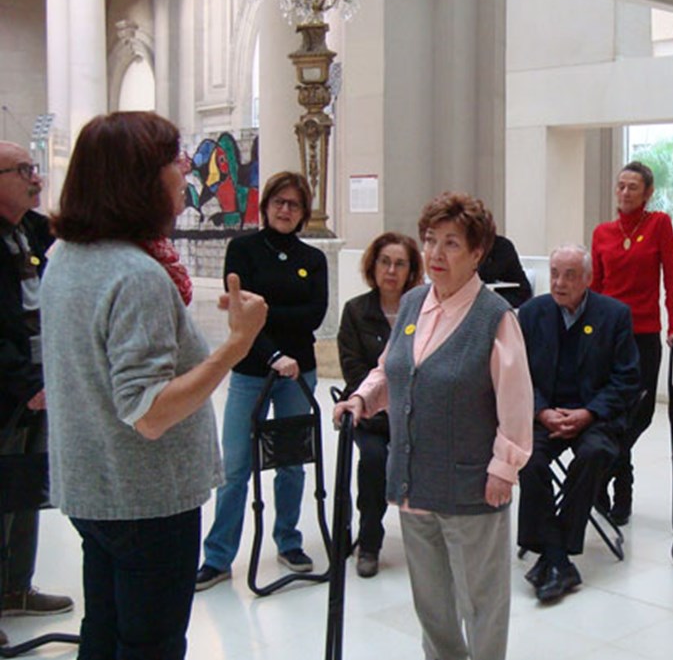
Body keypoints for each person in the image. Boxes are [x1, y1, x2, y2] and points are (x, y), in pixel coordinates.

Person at [40, 111, 267, 658]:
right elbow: (150, 413)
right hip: (144, 499)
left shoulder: (66, 257)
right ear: (138, 178)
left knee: (105, 630)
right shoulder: (135, 275)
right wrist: (237, 344)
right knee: (151, 643)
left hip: (93, 487)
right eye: (172, 161)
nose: (184, 171)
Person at [334, 193, 532, 660]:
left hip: (471, 485)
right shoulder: (413, 303)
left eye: (451, 244)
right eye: (430, 241)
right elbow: (391, 369)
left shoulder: (495, 317)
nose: (436, 255)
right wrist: (362, 397)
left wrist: (505, 467)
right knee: (433, 606)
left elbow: (516, 401)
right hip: (414, 482)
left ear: (478, 252)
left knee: (481, 603)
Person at [197, 171, 329, 590]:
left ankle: (288, 542)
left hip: (298, 373)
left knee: (291, 463)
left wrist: (265, 311)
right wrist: (272, 350)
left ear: (303, 212)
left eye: (293, 204)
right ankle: (218, 557)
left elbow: (315, 316)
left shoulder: (314, 259)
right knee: (235, 466)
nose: (285, 210)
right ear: (266, 206)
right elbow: (241, 316)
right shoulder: (243, 250)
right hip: (252, 369)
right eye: (279, 202)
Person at [516, 244, 640, 603]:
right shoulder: (531, 314)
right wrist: (541, 411)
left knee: (595, 454)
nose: (559, 282)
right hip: (546, 415)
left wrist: (589, 413)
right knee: (529, 458)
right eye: (554, 273)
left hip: (594, 416)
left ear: (588, 279)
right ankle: (559, 557)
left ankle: (553, 554)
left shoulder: (614, 315)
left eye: (570, 275)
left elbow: (627, 379)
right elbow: (517, 374)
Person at [0, 141, 73, 644]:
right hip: (10, 390)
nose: (35, 177)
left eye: (34, 167)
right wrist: (25, 385)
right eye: (23, 169)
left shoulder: (26, 231)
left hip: (35, 386)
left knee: (26, 489)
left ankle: (15, 589)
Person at [590, 160, 673, 525]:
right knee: (611, 410)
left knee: (639, 414)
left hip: (644, 333)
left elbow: (672, 279)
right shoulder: (602, 232)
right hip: (607, 334)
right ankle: (619, 494)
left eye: (633, 187)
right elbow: (596, 286)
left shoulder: (659, 224)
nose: (625, 192)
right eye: (621, 186)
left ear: (648, 193)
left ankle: (600, 471)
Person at [336, 231, 423, 578]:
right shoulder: (356, 311)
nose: (391, 270)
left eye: (400, 264)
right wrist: (382, 401)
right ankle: (369, 542)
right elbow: (354, 370)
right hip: (370, 416)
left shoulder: (422, 308)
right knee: (373, 460)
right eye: (385, 262)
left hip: (413, 416)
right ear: (373, 266)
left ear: (411, 270)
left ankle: (429, 542)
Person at [478, 234, 533, 308]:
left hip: (515, 293)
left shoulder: (502, 245)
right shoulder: (474, 246)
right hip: (492, 292)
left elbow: (488, 275)